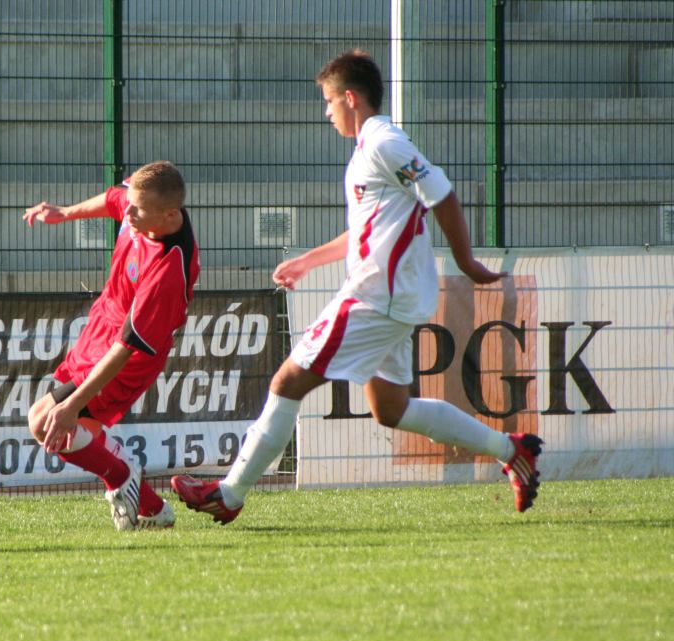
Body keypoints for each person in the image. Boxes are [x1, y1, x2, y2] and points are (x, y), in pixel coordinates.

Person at [171, 50, 542, 525]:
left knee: (287, 380)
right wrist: (309, 259)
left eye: (328, 101)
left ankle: (231, 492)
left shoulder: (384, 143)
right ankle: (512, 450)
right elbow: (371, 226)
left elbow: (442, 193)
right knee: (390, 409)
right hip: (392, 298)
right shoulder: (371, 152)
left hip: (374, 298)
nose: (327, 113)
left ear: (350, 97)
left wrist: (467, 262)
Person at [23, 160, 199, 530]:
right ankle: (155, 511)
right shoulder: (142, 206)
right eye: (131, 203)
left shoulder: (168, 268)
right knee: (76, 429)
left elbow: (126, 348)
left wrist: (72, 404)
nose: (128, 213)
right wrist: (65, 213)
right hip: (100, 326)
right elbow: (113, 199)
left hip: (127, 357)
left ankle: (121, 475)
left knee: (44, 421)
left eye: (138, 209)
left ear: (170, 215)